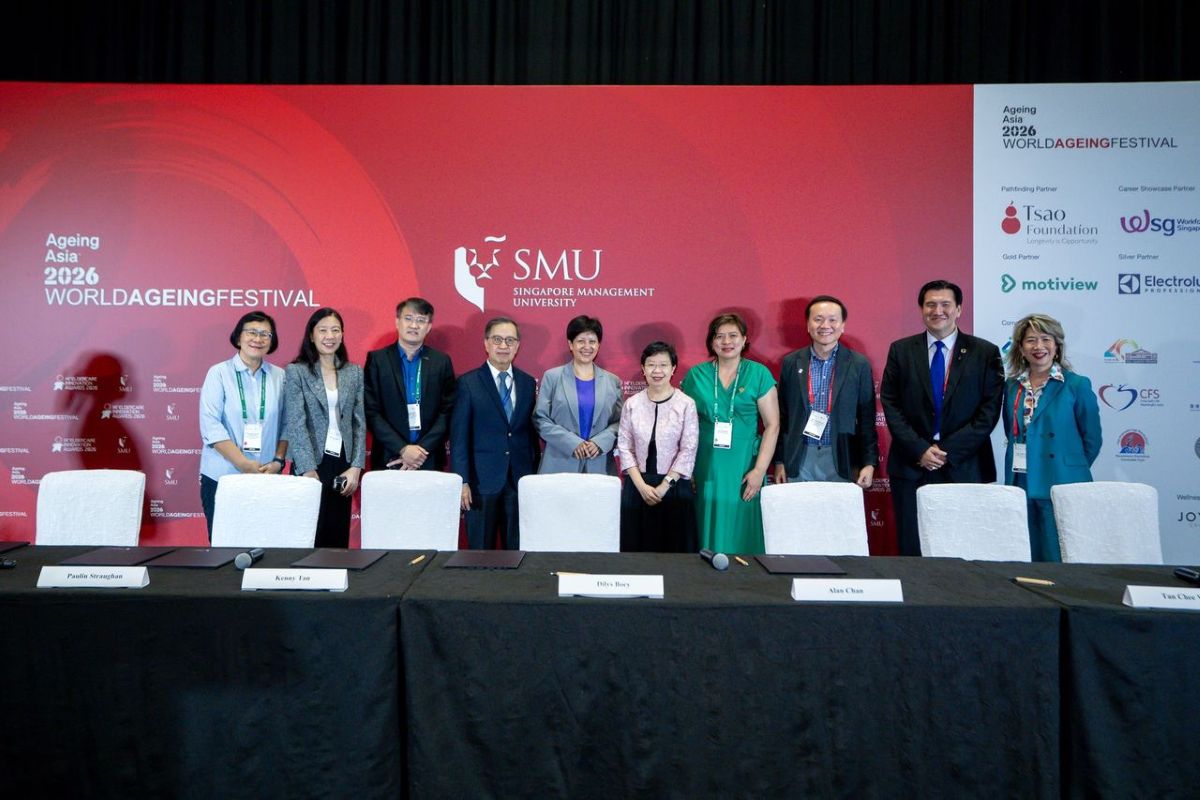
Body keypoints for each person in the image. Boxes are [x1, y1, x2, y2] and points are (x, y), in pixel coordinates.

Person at [880, 279, 1004, 556]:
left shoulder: (985, 352)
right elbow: (891, 403)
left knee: (962, 547)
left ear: (959, 309)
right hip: (912, 464)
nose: (938, 310)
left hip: (964, 465)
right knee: (912, 546)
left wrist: (947, 451)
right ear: (921, 309)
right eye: (931, 304)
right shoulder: (901, 350)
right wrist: (920, 449)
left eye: (946, 304)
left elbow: (989, 411)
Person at [1002, 314, 1102, 562]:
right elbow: (1011, 431)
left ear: (1056, 346)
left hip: (1061, 480)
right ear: (1021, 348)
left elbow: (1092, 439)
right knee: (1026, 552)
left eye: (1046, 339)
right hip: (1021, 479)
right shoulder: (1012, 386)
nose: (1038, 347)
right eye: (1031, 340)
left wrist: (1067, 467)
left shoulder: (1076, 385)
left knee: (1060, 555)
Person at [681, 313, 780, 554]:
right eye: (719, 336)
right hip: (704, 465)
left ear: (744, 339)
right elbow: (684, 426)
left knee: (741, 527)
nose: (726, 341)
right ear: (711, 342)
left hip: (744, 466)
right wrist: (685, 468)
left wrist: (759, 470)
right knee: (705, 523)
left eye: (733, 335)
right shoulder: (696, 375)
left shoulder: (759, 374)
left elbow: (772, 425)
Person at [450, 317, 540, 549]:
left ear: (518, 346)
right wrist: (463, 481)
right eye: (497, 340)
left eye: (510, 340)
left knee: (518, 551)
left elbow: (530, 435)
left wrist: (532, 478)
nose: (503, 346)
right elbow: (459, 438)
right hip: (481, 483)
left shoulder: (528, 383)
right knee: (480, 552)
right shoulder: (468, 383)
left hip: (518, 480)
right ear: (486, 343)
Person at [198, 310, 288, 538]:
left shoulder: (280, 376)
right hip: (223, 475)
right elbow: (211, 425)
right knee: (224, 546)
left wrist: (278, 461)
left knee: (264, 544)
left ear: (272, 341)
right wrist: (243, 464)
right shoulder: (218, 373)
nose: (258, 339)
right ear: (238, 337)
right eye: (251, 332)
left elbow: (288, 424)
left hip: (267, 476)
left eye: (265, 334)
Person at [773, 295, 878, 487]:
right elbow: (783, 416)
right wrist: (779, 461)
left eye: (832, 319)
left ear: (843, 325)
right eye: (818, 319)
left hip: (842, 457)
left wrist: (869, 463)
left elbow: (866, 419)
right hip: (800, 456)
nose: (825, 325)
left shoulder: (858, 364)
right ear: (808, 324)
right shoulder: (791, 362)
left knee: (838, 517)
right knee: (800, 515)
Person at [283, 307, 366, 548]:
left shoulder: (354, 372)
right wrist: (307, 470)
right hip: (311, 462)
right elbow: (296, 424)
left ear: (342, 335)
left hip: (342, 461)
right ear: (311, 335)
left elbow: (359, 421)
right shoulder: (296, 371)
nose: (330, 336)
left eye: (335, 330)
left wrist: (356, 466)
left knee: (337, 533)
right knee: (309, 533)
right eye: (323, 330)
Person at [617, 341, 699, 552]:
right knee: (636, 554)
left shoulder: (686, 404)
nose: (657, 370)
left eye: (663, 365)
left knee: (675, 555)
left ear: (673, 369)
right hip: (637, 488)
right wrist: (641, 486)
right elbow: (625, 447)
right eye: (651, 364)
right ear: (643, 369)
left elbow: (688, 449)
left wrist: (664, 486)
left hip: (674, 488)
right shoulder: (632, 404)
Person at [364, 297, 457, 472]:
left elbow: (447, 411)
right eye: (408, 319)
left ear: (429, 326)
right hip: (389, 457)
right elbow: (371, 411)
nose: (414, 326)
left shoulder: (441, 361)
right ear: (397, 322)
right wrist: (403, 449)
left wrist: (420, 452)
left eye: (421, 321)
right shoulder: (378, 360)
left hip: (427, 458)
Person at [534, 315, 623, 475]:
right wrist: (571, 443)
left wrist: (600, 442)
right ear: (570, 344)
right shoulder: (552, 377)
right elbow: (540, 419)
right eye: (581, 341)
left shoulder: (612, 381)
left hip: (599, 465)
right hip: (559, 464)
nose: (587, 347)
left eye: (592, 341)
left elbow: (619, 422)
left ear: (598, 345)